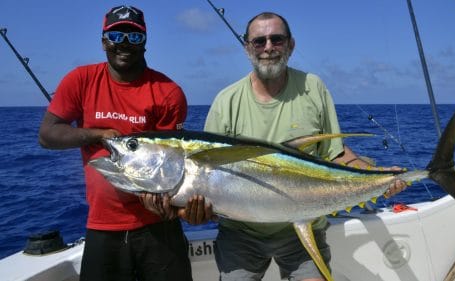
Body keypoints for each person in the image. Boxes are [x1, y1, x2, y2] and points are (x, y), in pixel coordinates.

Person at [204, 12, 407, 281]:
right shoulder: (226, 101)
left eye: (277, 40)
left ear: (291, 45)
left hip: (303, 228)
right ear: (247, 48)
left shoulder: (313, 88)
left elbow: (335, 153)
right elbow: (206, 173)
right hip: (241, 234)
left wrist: (382, 176)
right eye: (259, 41)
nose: (268, 48)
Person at [39, 5, 211, 281]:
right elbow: (47, 135)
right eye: (116, 36)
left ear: (145, 41)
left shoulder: (168, 93)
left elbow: (172, 165)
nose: (125, 44)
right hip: (102, 226)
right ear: (103, 40)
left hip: (159, 227)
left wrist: (182, 208)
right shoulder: (80, 81)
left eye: (134, 36)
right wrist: (98, 135)